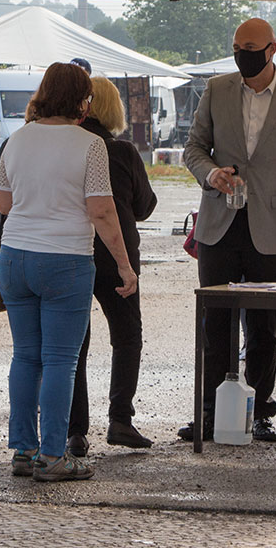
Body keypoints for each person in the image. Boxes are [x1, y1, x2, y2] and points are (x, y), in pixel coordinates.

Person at [180, 17, 276, 443]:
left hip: (274, 228)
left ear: (272, 49)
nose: (243, 53)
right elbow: (193, 148)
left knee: (264, 327)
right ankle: (208, 413)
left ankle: (258, 412)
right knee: (215, 323)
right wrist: (211, 175)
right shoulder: (216, 89)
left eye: (251, 46)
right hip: (219, 223)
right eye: (237, 46)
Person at [0, 63, 137, 483]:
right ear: (82, 101)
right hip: (65, 259)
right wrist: (125, 266)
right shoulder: (90, 145)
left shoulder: (15, 141)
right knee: (60, 360)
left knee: (25, 356)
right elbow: (101, 210)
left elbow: (4, 204)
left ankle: (24, 449)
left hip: (15, 257)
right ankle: (54, 456)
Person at [66, 77, 157, 457]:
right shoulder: (121, 151)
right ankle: (121, 418)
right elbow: (145, 206)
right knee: (127, 336)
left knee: (75, 344)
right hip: (118, 255)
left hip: (73, 251)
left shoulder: (69, 148)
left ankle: (74, 430)